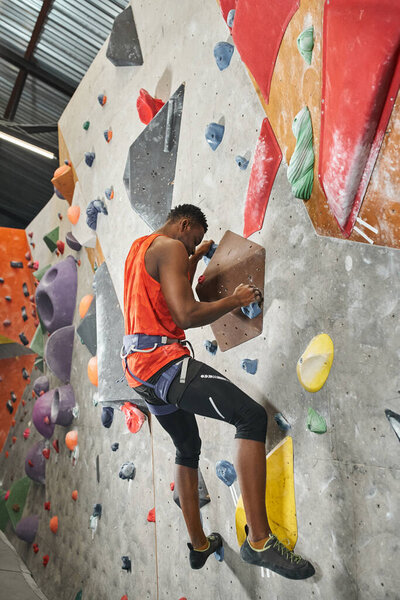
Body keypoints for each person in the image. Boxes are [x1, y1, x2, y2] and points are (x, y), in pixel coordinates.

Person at [122, 204, 314, 579]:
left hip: (139, 373)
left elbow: (166, 289)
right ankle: (259, 541)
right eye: (191, 239)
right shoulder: (171, 246)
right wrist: (236, 299)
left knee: (187, 448)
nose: (189, 247)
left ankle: (199, 545)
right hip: (164, 364)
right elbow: (186, 315)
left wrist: (192, 258)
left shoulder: (139, 248)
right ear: (184, 224)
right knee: (251, 417)